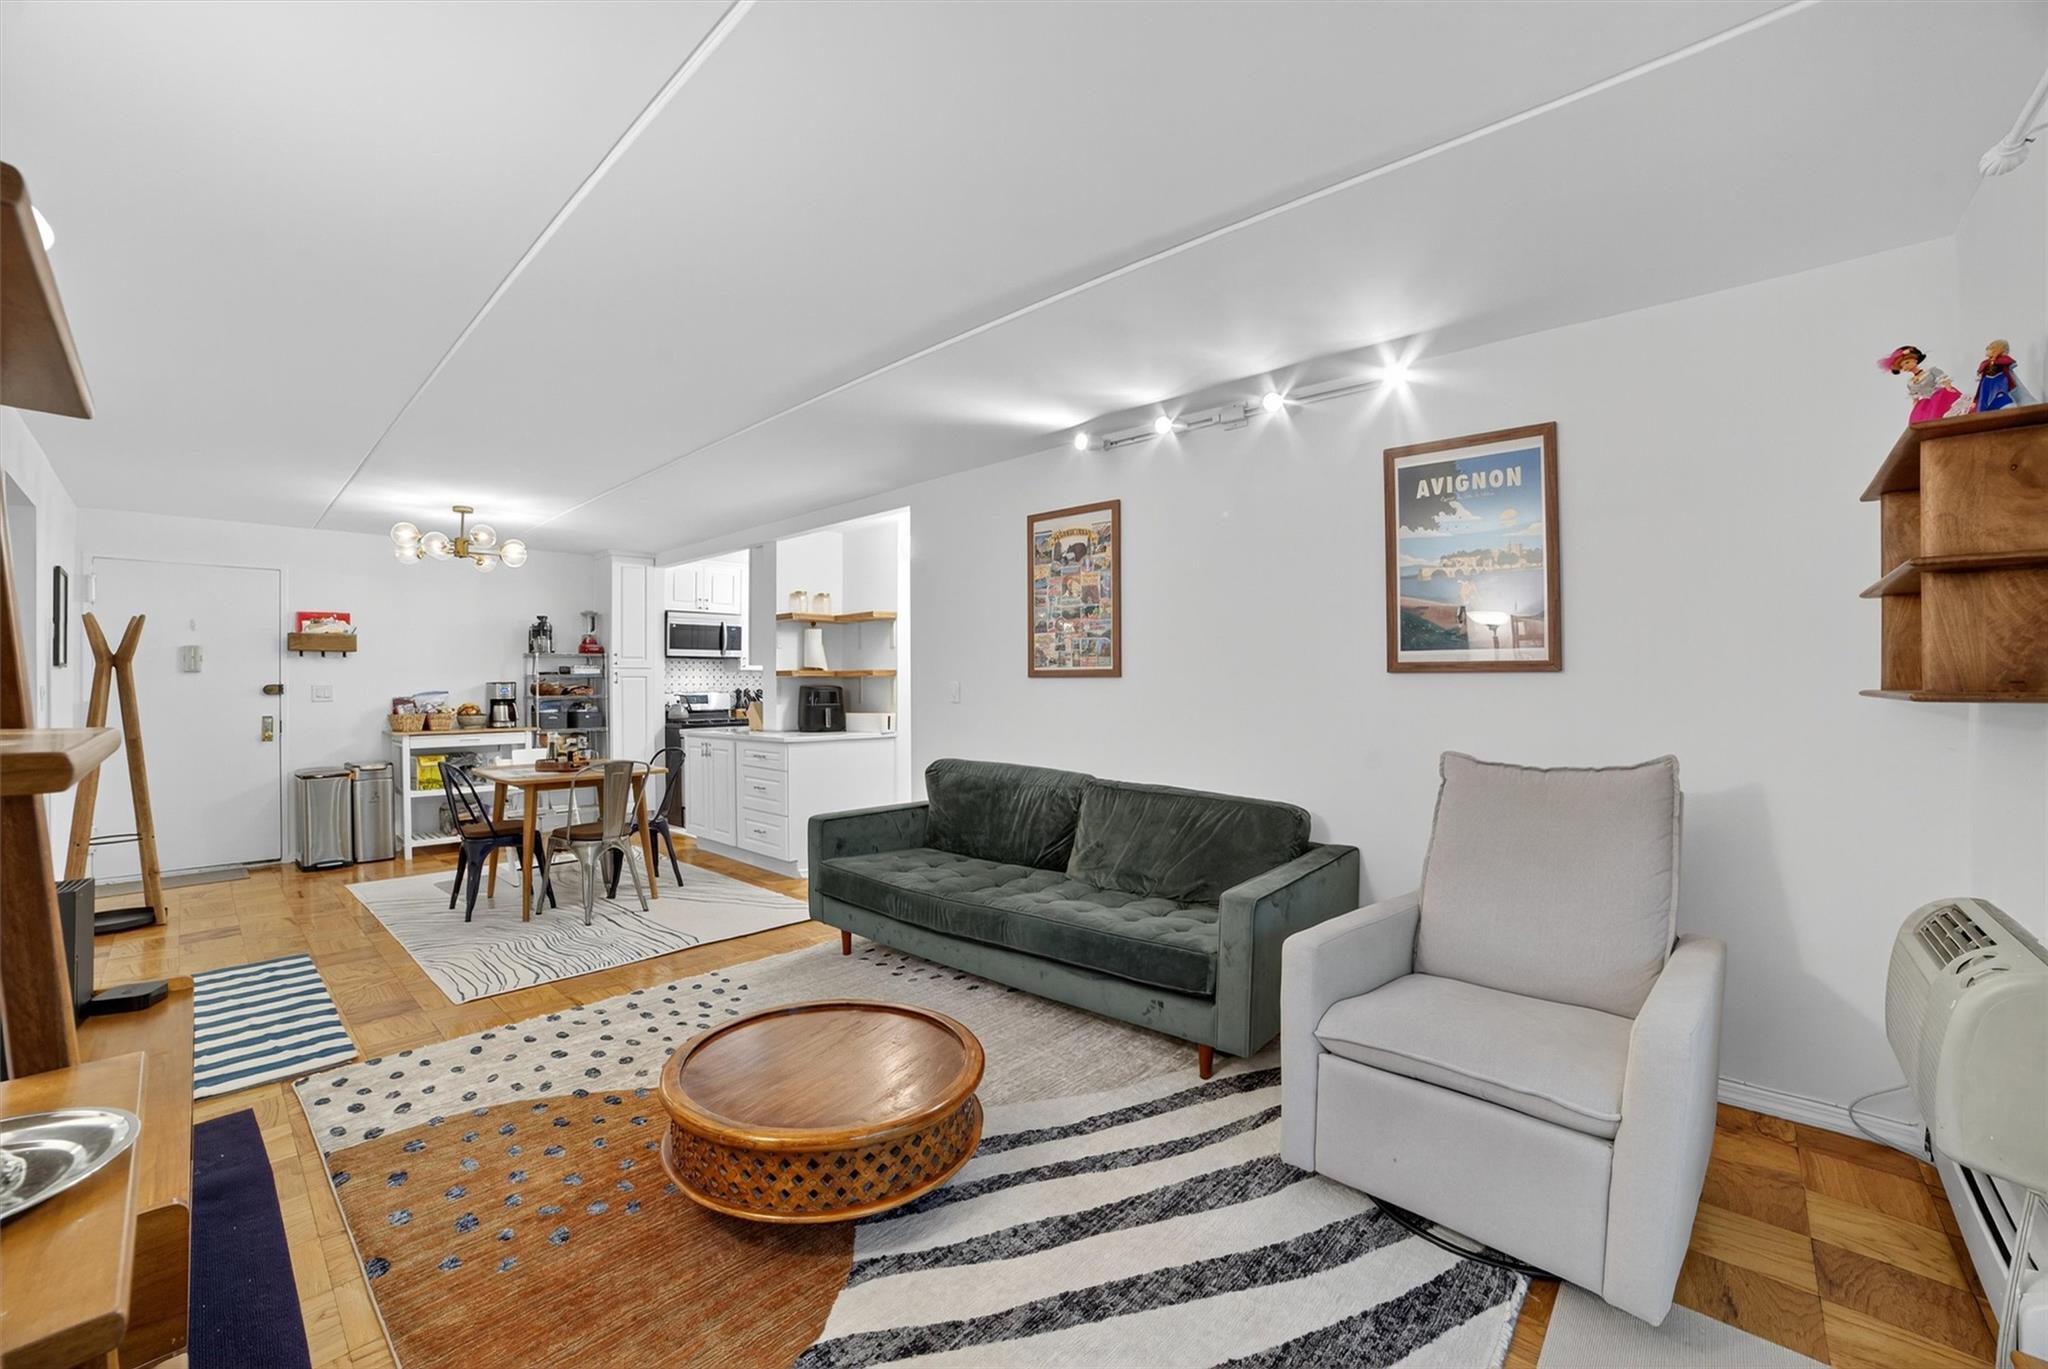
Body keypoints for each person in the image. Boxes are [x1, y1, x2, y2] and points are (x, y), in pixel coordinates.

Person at [1879, 345, 1967, 423]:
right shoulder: (1911, 383)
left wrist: (1948, 388)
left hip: (1939, 395)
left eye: (1907, 362)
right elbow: (1915, 397)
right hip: (1926, 403)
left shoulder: (1931, 371)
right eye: (1902, 367)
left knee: (1944, 413)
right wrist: (1915, 407)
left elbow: (1944, 380)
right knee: (1926, 419)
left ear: (1915, 360)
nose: (1905, 367)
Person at [1974, 339, 2037, 412]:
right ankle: (1985, 409)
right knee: (1984, 396)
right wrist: (1979, 374)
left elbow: (2010, 364)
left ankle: (2003, 404)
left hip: (1999, 379)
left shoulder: (2002, 360)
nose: (1987, 350)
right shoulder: (1986, 362)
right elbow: (1982, 369)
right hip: (1987, 381)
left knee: (2001, 392)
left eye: (1990, 348)